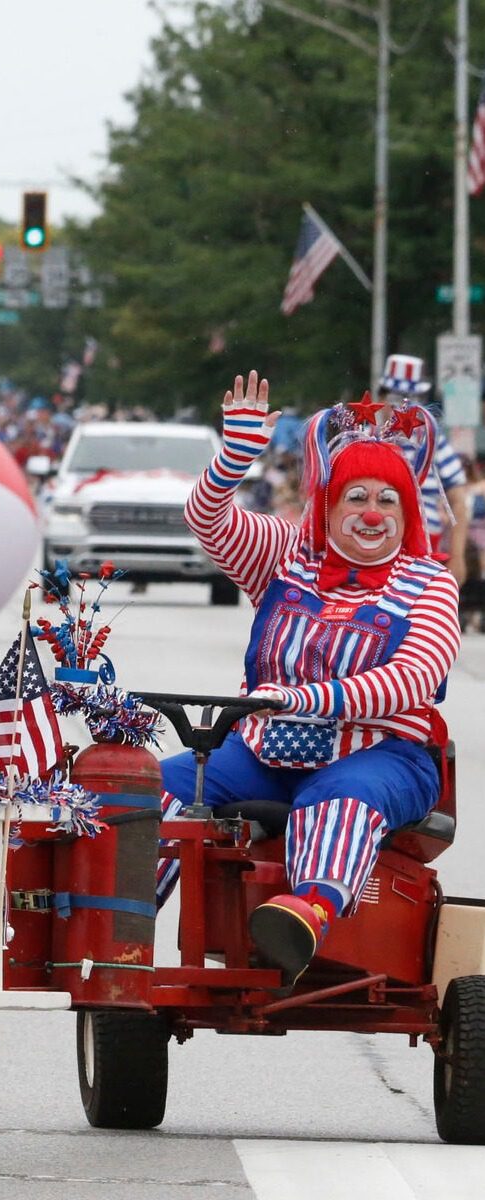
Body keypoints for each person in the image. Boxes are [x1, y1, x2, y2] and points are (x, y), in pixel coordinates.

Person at [156, 371, 460, 984]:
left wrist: (300, 698)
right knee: (160, 784)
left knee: (336, 799)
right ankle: (113, 913)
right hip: (266, 747)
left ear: (406, 512)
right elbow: (206, 520)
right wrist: (236, 454)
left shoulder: (430, 585)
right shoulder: (288, 556)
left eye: (386, 500)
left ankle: (307, 913)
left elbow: (411, 679)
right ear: (329, 502)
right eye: (356, 497)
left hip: (384, 752)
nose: (371, 514)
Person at [378, 353, 470, 584]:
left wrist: (457, 556)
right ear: (381, 397)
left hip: (424, 543)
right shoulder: (367, 439)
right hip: (373, 539)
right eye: (395, 397)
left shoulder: (432, 441)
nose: (401, 406)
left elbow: (459, 501)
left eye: (409, 398)